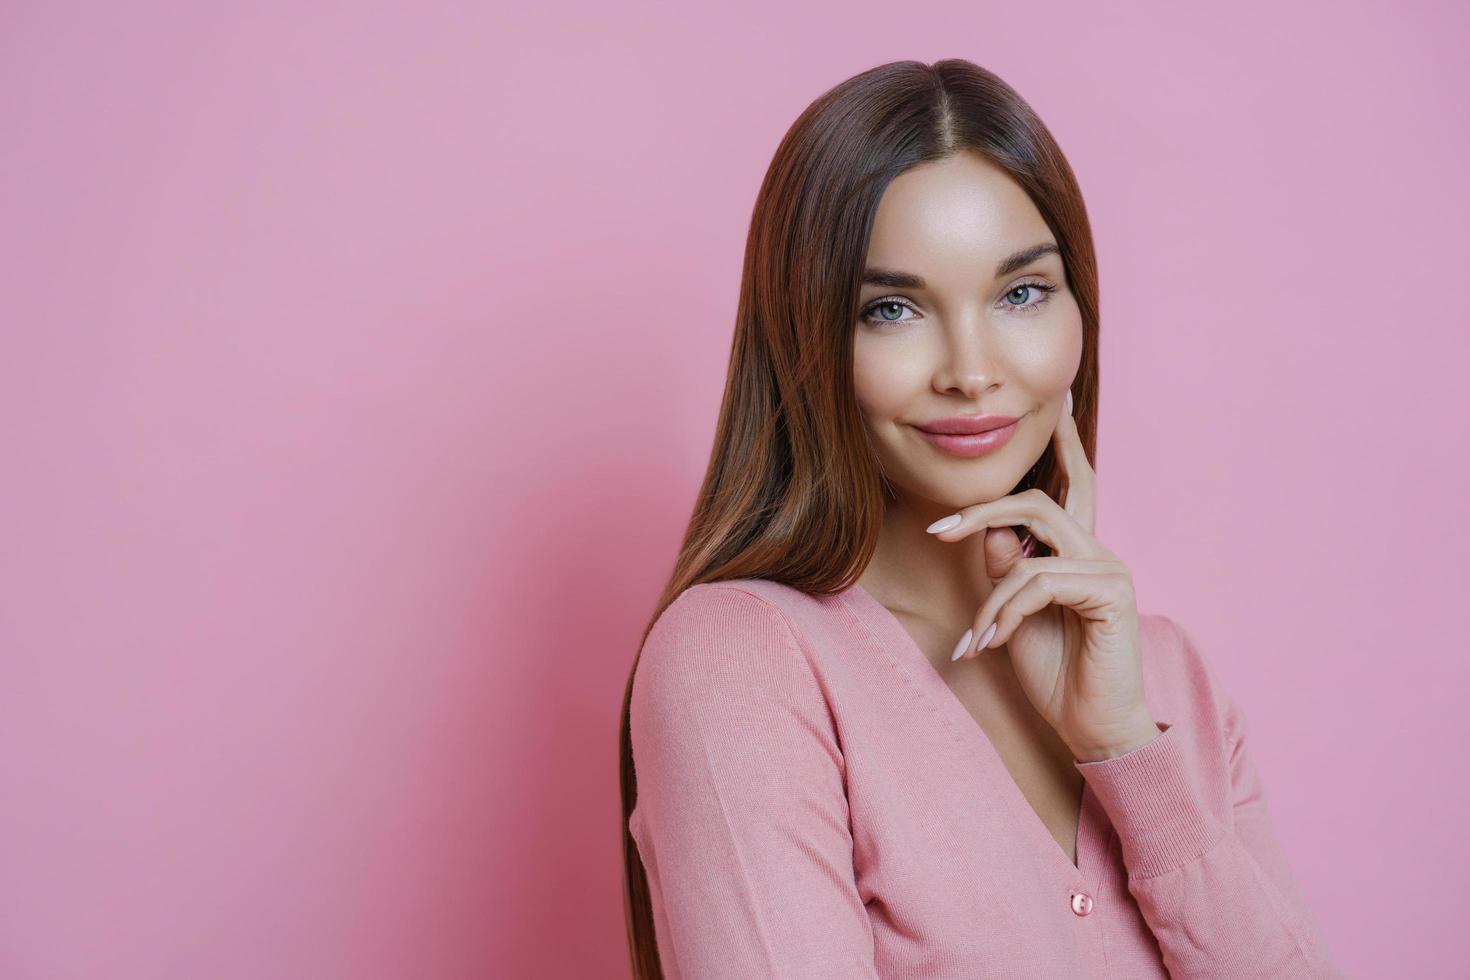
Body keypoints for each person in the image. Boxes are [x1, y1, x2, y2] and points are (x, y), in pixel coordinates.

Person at [617, 59, 1344, 979]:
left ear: (1080, 310)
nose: (970, 368)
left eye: (1021, 294)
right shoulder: (740, 661)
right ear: (806, 338)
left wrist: (1121, 744)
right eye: (891, 309)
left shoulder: (1165, 679)